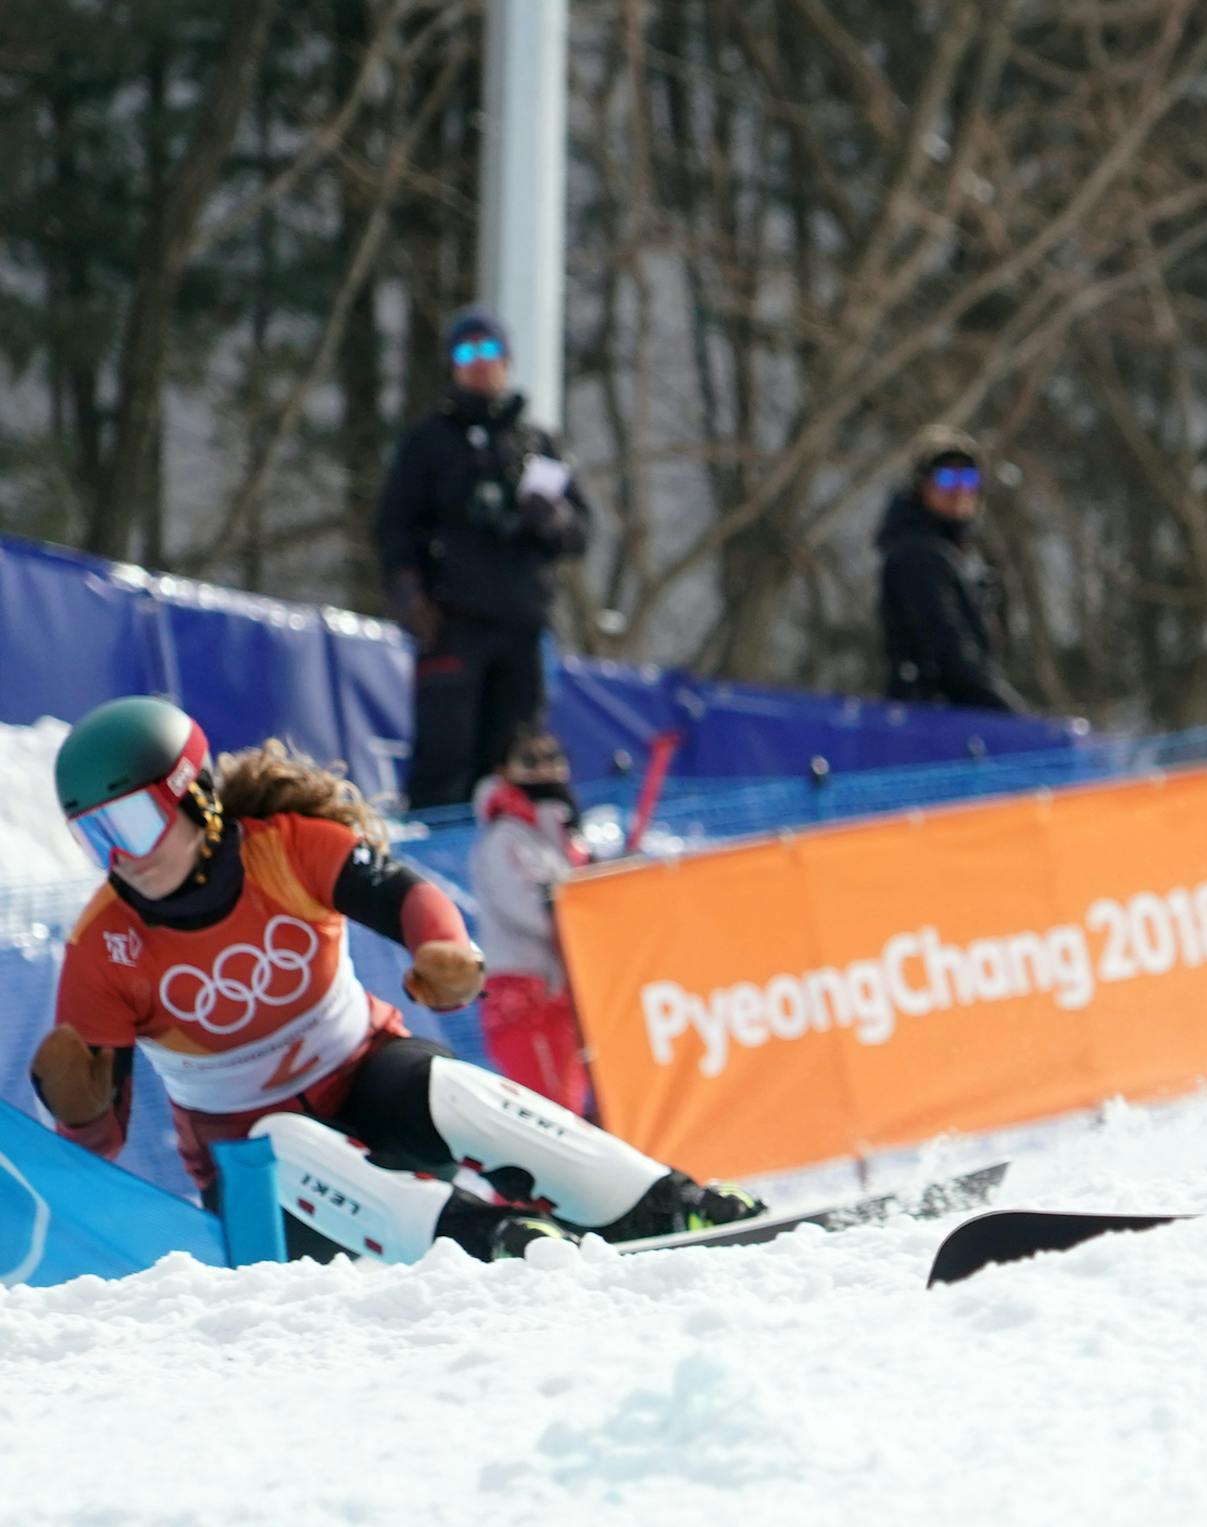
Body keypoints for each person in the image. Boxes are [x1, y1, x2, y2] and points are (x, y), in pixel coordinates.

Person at [32, 696, 765, 1262]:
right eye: (94, 836)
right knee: (281, 1136)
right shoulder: (103, 944)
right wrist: (78, 1107)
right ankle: (503, 1242)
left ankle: (670, 1202)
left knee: (450, 1086)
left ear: (191, 793)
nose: (120, 856)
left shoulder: (283, 851)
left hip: (373, 1090)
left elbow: (406, 895)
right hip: (272, 1192)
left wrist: (443, 947)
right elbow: (93, 1146)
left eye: (128, 823)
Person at [377, 305, 591, 810]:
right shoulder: (429, 442)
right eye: (466, 351)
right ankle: (435, 863)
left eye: (489, 349)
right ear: (452, 363)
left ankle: (515, 861)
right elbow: (393, 526)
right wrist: (409, 595)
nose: (479, 362)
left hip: (522, 626)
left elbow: (582, 533)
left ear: (508, 360)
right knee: (445, 754)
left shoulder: (538, 442)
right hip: (453, 624)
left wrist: (552, 518)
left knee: (517, 756)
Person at [471, 726, 594, 1116]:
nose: (545, 770)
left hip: (564, 993)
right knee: (554, 1113)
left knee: (571, 1106)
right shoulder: (504, 838)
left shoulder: (560, 835)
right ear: (504, 770)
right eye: (530, 761)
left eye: (553, 758)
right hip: (522, 997)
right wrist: (577, 905)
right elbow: (526, 908)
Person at [877, 439, 1027, 712]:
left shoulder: (963, 558)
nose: (959, 489)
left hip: (956, 715)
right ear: (922, 487)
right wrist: (1017, 723)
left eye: (969, 477)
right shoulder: (918, 555)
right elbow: (952, 658)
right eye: (946, 477)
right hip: (933, 718)